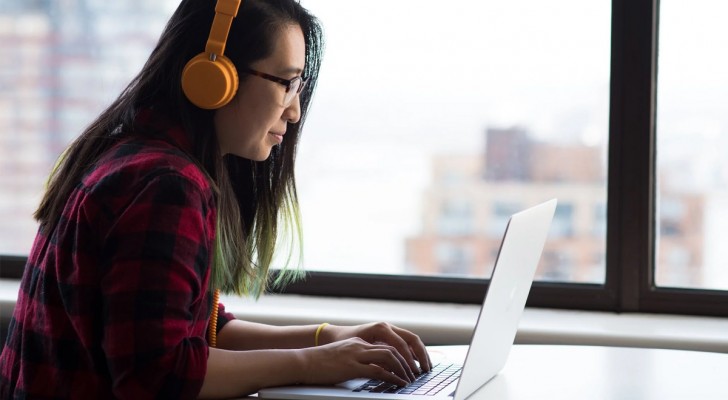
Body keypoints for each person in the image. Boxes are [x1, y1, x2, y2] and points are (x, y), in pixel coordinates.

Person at [0, 0, 432, 398]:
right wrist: (314, 363)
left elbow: (199, 329)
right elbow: (158, 373)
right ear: (215, 77)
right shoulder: (165, 185)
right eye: (286, 83)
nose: (295, 110)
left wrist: (328, 337)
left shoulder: (136, 155)